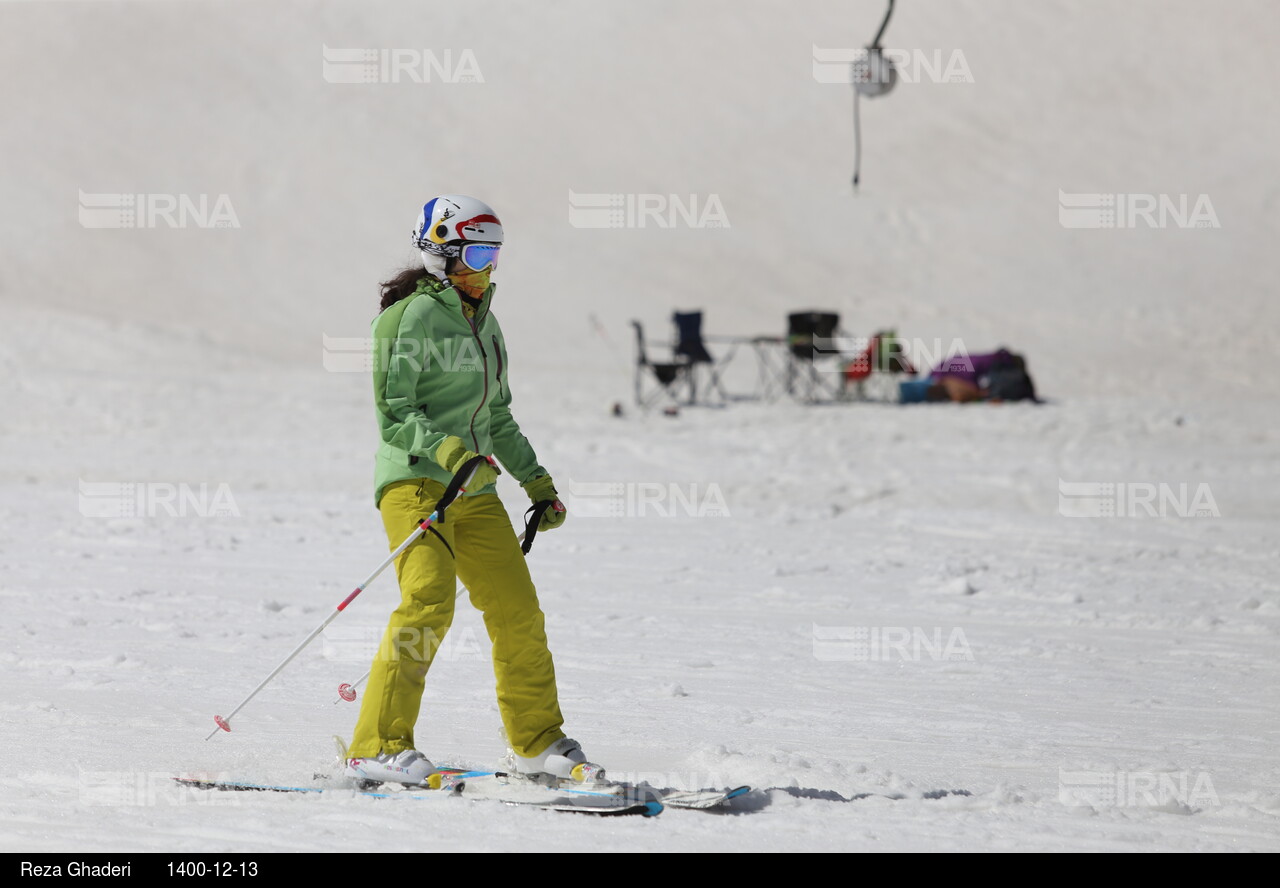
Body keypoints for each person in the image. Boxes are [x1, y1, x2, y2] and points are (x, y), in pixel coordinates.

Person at [344, 195, 599, 787]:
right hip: (413, 483)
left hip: (475, 489)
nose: (488, 265)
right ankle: (376, 745)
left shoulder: (485, 321)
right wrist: (449, 450)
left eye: (495, 253)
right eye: (479, 251)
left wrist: (537, 482)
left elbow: (498, 417)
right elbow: (395, 413)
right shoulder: (407, 318)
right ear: (442, 251)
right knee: (428, 602)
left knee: (518, 612)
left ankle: (537, 742)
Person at [898, 348, 1039, 404]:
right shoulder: (993, 362)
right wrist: (975, 389)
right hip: (943, 375)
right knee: (923, 390)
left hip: (942, 371)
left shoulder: (992, 359)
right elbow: (969, 369)